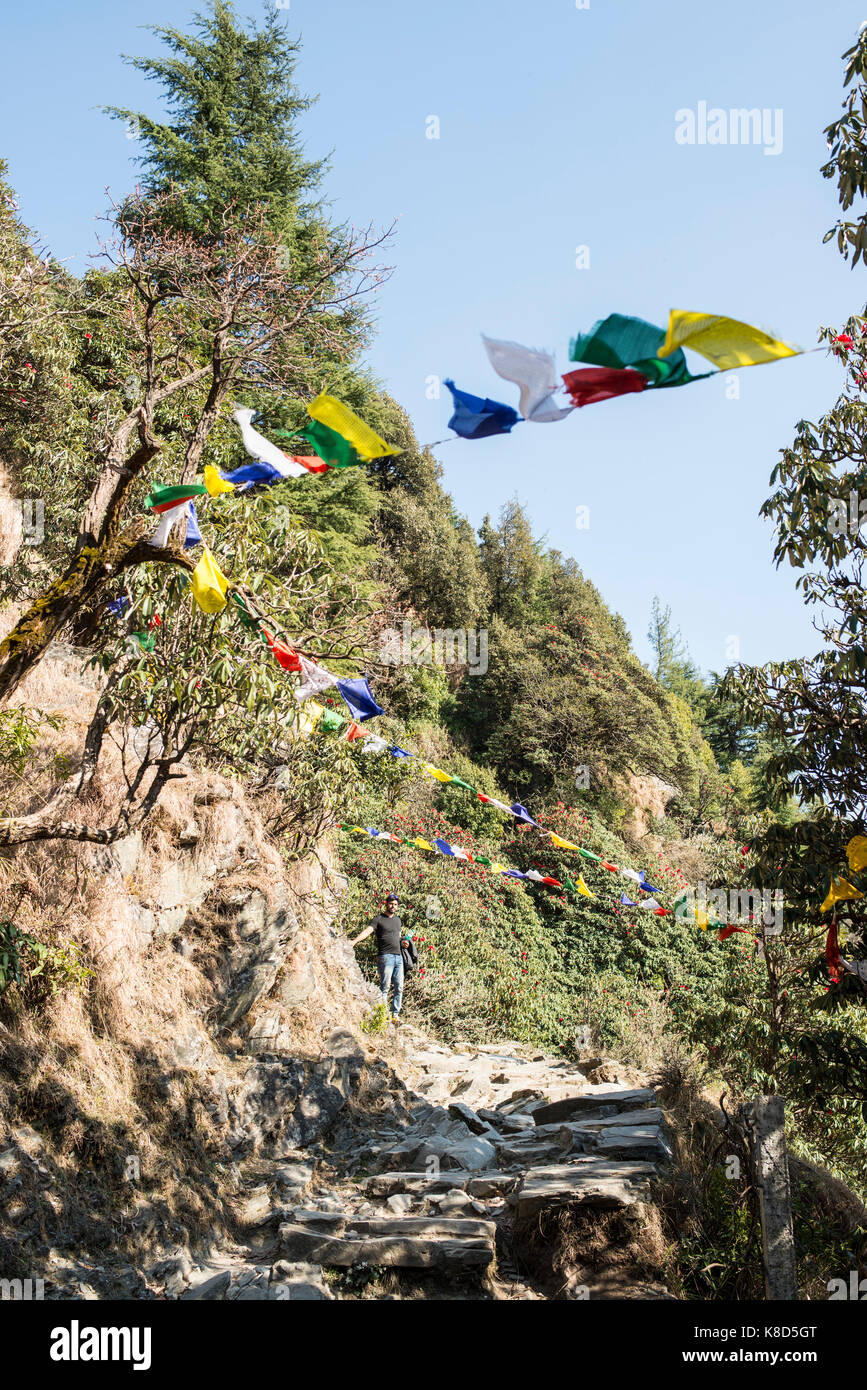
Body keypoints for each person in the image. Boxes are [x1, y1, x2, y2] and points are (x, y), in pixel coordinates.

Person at [350, 893, 409, 1022]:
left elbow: (399, 937)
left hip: (398, 957)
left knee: (399, 987)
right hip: (385, 957)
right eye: (391, 904)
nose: (393, 906)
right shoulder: (378, 919)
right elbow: (367, 931)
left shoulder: (398, 920)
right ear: (386, 904)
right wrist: (354, 941)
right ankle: (382, 1014)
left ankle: (395, 1014)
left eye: (395, 905)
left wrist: (404, 943)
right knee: (385, 987)